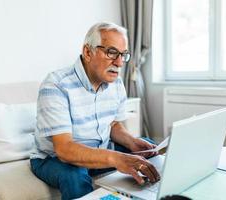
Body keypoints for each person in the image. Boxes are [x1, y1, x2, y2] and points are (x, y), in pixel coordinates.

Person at [29, 22, 160, 200]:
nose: (120, 62)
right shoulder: (56, 84)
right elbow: (64, 149)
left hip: (100, 149)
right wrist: (115, 158)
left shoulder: (116, 84)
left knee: (149, 150)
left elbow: (113, 124)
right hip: (53, 159)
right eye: (112, 52)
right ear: (88, 52)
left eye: (123, 54)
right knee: (74, 176)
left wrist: (131, 142)